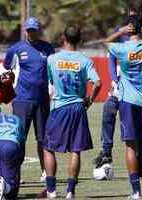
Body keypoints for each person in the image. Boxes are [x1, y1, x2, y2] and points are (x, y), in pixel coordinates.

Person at [103, 15, 142, 199]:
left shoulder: (122, 49)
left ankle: (136, 191)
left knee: (131, 145)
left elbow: (105, 42)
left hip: (128, 102)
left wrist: (120, 31)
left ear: (130, 29)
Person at [39, 25, 101, 199]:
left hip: (59, 107)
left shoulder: (52, 59)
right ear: (79, 40)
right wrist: (89, 99)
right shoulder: (85, 60)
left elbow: (50, 83)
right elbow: (98, 82)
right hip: (78, 107)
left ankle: (51, 190)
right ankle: (70, 191)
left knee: (48, 148)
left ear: (62, 38)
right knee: (76, 150)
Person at [93, 0, 142, 178]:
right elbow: (111, 60)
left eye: (136, 13)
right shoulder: (119, 33)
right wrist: (115, 82)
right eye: (131, 13)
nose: (132, 16)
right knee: (108, 110)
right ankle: (106, 151)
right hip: (121, 84)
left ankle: (141, 163)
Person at [3, 17, 55, 180]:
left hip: (42, 101)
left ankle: (46, 172)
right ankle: (15, 174)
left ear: (39, 30)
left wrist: (54, 90)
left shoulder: (48, 48)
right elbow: (5, 70)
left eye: (35, 30)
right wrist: (8, 85)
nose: (32, 33)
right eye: (29, 30)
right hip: (22, 101)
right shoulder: (15, 49)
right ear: (25, 30)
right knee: (19, 138)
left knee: (44, 139)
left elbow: (53, 71)